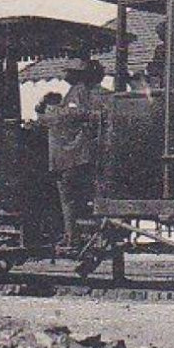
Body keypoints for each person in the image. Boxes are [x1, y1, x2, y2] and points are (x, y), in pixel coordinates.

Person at [42, 59, 105, 251]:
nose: (65, 76)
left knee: (68, 199)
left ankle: (72, 238)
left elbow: (67, 117)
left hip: (70, 157)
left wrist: (45, 113)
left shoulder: (76, 94)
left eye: (69, 72)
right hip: (81, 156)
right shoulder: (89, 93)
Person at [145, 20, 168, 90]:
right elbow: (156, 63)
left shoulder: (172, 48)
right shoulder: (159, 48)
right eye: (159, 34)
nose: (159, 37)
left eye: (161, 33)